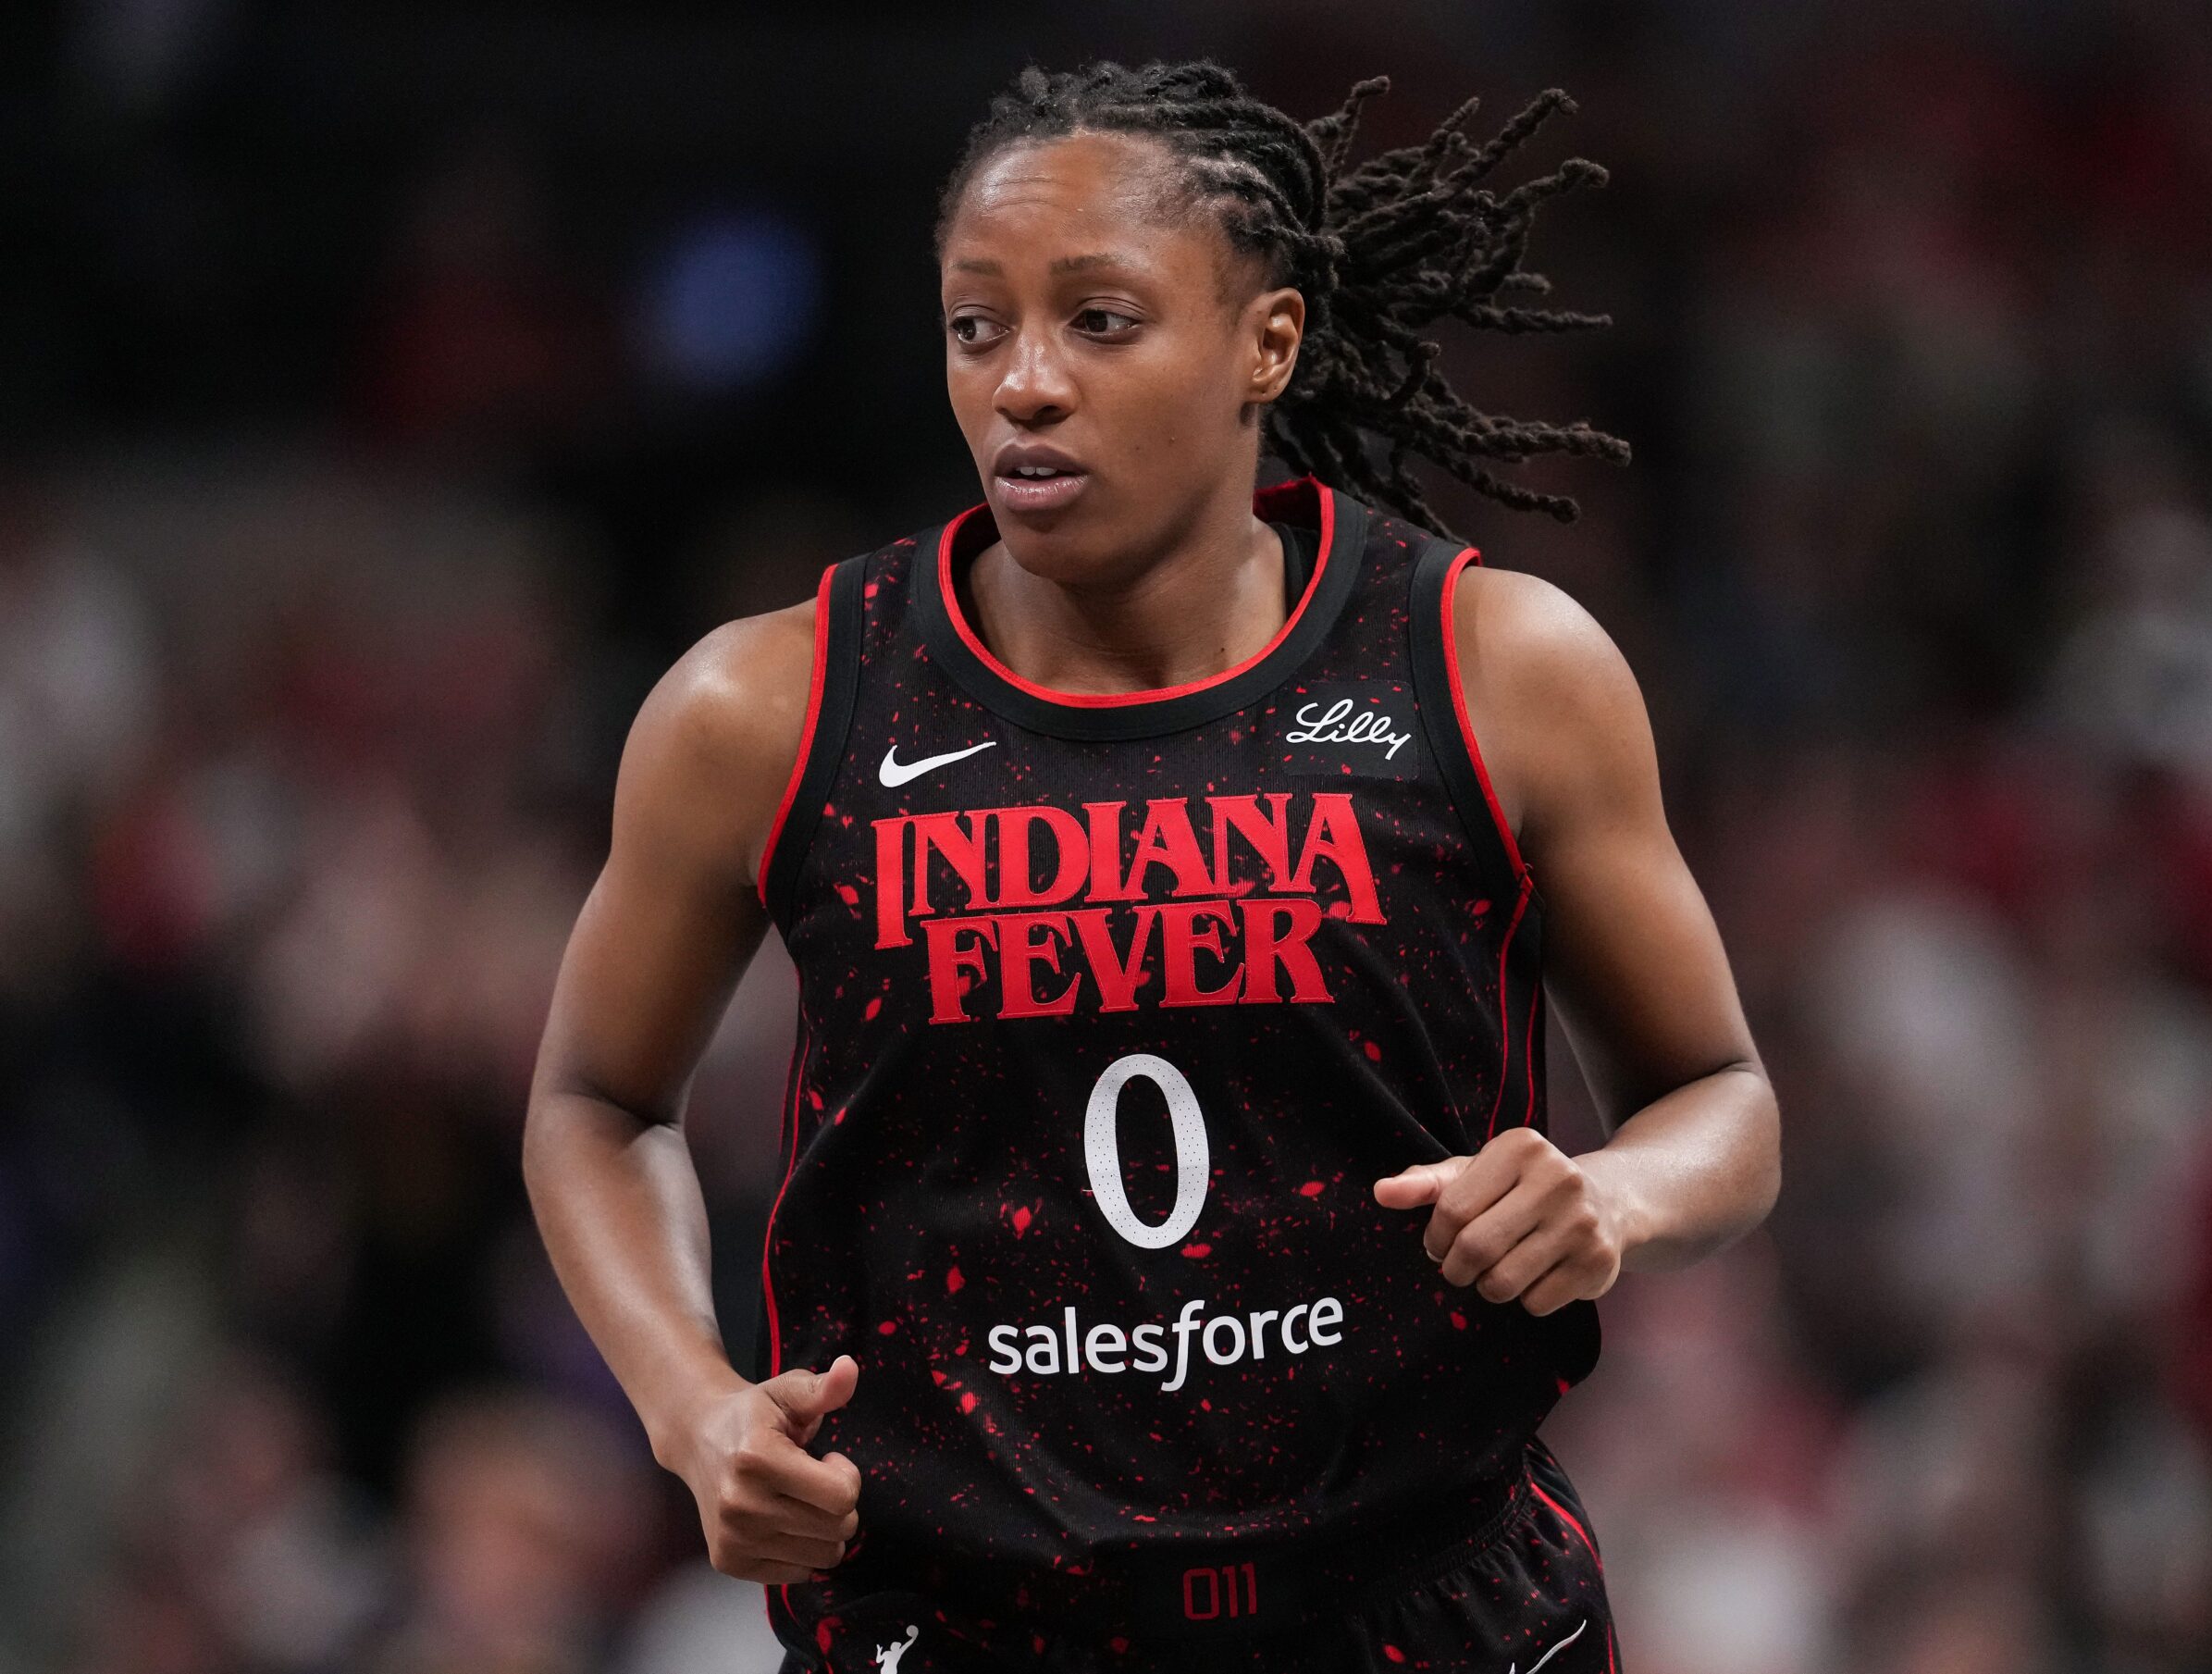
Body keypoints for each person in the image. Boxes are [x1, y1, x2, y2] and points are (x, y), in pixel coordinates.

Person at [523, 58, 1780, 1674]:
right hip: (963, 1620)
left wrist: (1609, 1193)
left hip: (1421, 1608)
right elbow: (593, 1100)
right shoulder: (764, 705)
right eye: (978, 327)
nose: (1023, 385)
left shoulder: (1495, 664)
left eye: (1098, 321)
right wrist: (692, 1404)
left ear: (1269, 340)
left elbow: (1724, 1097)